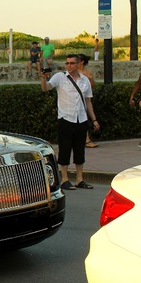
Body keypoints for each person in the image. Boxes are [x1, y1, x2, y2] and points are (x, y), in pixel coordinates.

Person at [40, 54, 100, 190]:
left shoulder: (85, 80)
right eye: (67, 63)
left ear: (78, 64)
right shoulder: (60, 77)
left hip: (81, 119)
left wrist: (94, 119)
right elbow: (46, 88)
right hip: (65, 119)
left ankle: (80, 179)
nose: (69, 65)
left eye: (72, 63)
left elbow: (88, 101)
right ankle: (65, 179)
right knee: (65, 149)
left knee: (80, 150)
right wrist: (43, 78)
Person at [78, 54, 98, 148]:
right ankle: (85, 139)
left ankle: (86, 139)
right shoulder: (75, 72)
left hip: (86, 98)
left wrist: (90, 79)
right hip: (77, 99)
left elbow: (93, 86)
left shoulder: (88, 72)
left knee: (84, 119)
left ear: (82, 62)